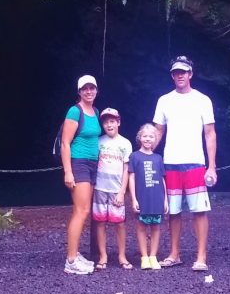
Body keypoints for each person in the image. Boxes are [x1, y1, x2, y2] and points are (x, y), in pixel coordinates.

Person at [152, 55, 216, 271]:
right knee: (174, 211)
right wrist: (147, 154)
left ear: (190, 74)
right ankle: (174, 253)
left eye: (183, 72)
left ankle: (201, 257)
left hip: (195, 162)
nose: (179, 75)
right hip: (171, 162)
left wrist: (212, 166)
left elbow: (209, 133)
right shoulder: (164, 100)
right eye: (176, 72)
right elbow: (157, 131)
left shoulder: (202, 100)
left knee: (199, 210)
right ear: (172, 75)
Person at [61, 75, 102, 276]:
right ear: (79, 91)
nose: (89, 91)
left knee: (84, 210)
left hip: (93, 164)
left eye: (92, 88)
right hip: (79, 163)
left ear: (96, 90)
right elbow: (65, 142)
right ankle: (70, 260)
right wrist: (68, 171)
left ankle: (75, 253)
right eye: (85, 88)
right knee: (81, 210)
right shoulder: (74, 111)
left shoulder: (95, 111)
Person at [93, 107, 134, 270]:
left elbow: (126, 169)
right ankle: (103, 256)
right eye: (105, 122)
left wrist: (122, 192)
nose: (109, 125)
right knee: (100, 222)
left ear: (118, 122)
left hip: (116, 189)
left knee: (120, 223)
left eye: (112, 121)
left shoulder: (125, 143)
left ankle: (122, 255)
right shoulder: (98, 141)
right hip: (99, 189)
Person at [128, 123, 168, 270]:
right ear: (140, 137)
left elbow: (162, 179)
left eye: (151, 136)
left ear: (155, 139)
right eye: (145, 136)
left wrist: (165, 200)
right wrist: (133, 199)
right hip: (142, 198)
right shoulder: (134, 156)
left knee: (156, 227)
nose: (148, 139)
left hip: (157, 198)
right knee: (141, 227)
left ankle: (153, 256)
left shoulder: (158, 158)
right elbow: (131, 178)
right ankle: (144, 257)